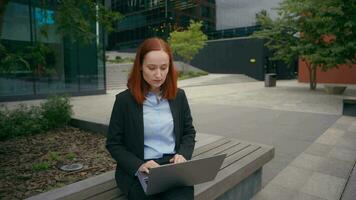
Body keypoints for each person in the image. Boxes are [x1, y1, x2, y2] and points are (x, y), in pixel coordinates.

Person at [106, 37, 196, 200]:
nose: (158, 74)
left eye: (164, 67)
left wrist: (183, 154)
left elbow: (189, 133)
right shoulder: (124, 101)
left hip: (172, 167)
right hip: (140, 168)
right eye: (151, 68)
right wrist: (139, 165)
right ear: (140, 66)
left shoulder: (179, 96)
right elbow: (113, 143)